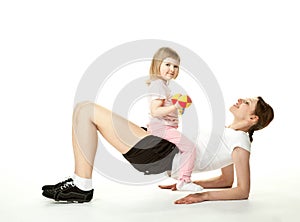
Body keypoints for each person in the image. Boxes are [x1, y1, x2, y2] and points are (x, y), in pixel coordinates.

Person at [42, 95, 274, 204]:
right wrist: (186, 180)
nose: (241, 99)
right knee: (84, 112)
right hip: (162, 150)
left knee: (86, 110)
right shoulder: (231, 135)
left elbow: (242, 190)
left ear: (253, 117)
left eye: (247, 102)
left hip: (162, 152)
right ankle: (80, 184)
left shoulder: (241, 144)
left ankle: (81, 186)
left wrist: (202, 195)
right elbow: (226, 180)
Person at [145, 47, 202, 191]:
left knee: (182, 149)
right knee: (189, 148)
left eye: (175, 66)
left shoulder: (162, 85)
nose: (172, 69)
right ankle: (184, 181)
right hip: (161, 128)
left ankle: (180, 177)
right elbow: (155, 111)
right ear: (157, 64)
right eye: (167, 65)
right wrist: (175, 106)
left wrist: (176, 108)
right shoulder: (158, 85)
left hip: (163, 127)